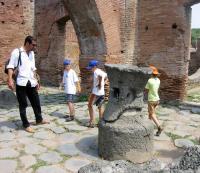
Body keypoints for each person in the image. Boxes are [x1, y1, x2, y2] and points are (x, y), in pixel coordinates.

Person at [7, 36, 49, 133]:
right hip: (21, 82)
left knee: (36, 102)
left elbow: (33, 68)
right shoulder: (17, 52)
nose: (35, 47)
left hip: (31, 82)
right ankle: (25, 124)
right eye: (33, 45)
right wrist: (10, 80)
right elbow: (10, 67)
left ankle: (39, 119)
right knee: (23, 104)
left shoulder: (32, 54)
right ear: (27, 43)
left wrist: (37, 81)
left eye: (36, 45)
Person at [87, 60, 108, 128]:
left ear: (94, 67)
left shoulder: (96, 72)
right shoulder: (100, 70)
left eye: (91, 68)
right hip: (101, 93)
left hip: (95, 92)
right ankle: (101, 122)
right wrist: (103, 84)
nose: (90, 69)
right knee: (100, 107)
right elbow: (106, 77)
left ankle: (91, 122)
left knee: (90, 105)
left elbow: (100, 77)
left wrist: (99, 85)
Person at [145, 65, 163, 136]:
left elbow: (146, 89)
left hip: (151, 100)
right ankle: (148, 128)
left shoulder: (149, 80)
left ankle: (159, 127)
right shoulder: (158, 80)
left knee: (152, 114)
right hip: (157, 99)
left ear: (151, 73)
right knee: (150, 114)